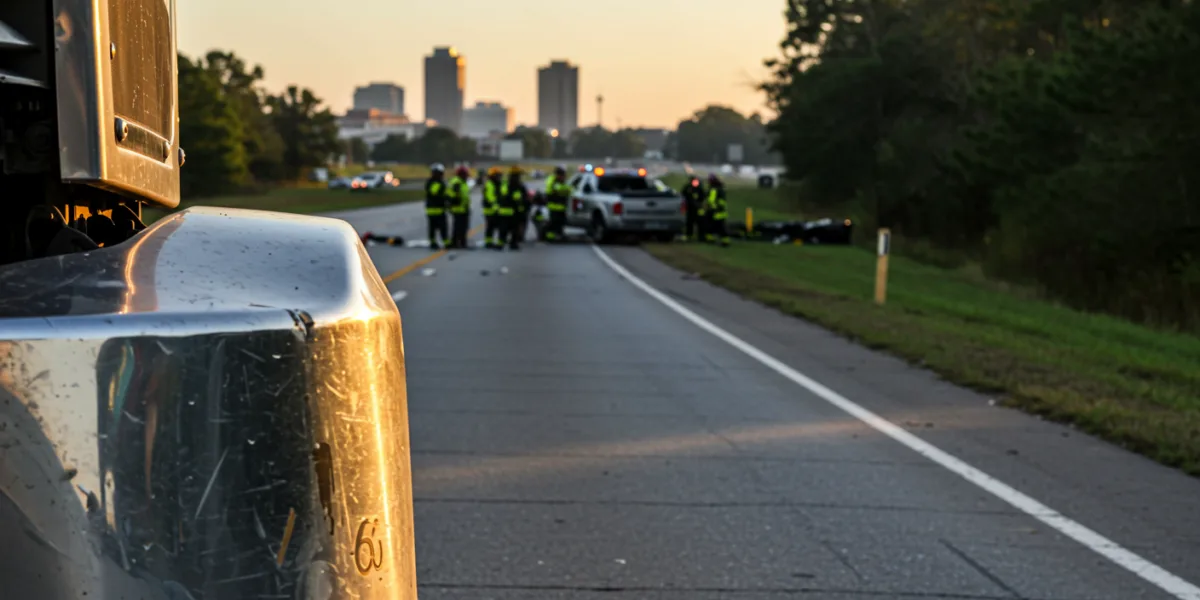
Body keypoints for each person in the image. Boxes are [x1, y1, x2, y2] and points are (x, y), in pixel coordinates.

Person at [498, 166, 528, 250]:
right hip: (510, 211)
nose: (519, 178)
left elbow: (523, 198)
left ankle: (509, 243)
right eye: (518, 176)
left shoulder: (509, 185)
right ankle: (506, 243)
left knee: (511, 229)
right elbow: (508, 197)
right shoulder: (513, 186)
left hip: (511, 211)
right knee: (507, 229)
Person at [543, 164, 572, 242]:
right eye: (563, 175)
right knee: (553, 222)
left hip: (561, 207)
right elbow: (560, 189)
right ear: (559, 175)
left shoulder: (559, 181)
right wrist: (567, 190)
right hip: (554, 206)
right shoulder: (553, 181)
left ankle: (559, 235)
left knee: (560, 222)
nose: (564, 177)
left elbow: (567, 189)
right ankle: (550, 237)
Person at [424, 163, 450, 250]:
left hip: (432, 209)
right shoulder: (437, 183)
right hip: (438, 209)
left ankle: (434, 242)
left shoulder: (430, 182)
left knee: (433, 227)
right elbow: (435, 194)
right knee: (442, 227)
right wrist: (446, 198)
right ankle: (444, 242)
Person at [448, 166, 472, 249]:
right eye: (465, 175)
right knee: (459, 227)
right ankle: (456, 243)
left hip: (463, 208)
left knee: (463, 227)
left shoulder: (462, 182)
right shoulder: (457, 182)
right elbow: (453, 195)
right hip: (458, 208)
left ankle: (461, 242)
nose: (466, 176)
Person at [704, 173, 730, 247]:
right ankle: (716, 239)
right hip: (719, 211)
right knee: (716, 226)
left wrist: (711, 207)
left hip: (716, 211)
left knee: (718, 226)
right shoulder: (719, 188)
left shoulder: (714, 189)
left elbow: (711, 200)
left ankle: (723, 241)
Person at [482, 167, 503, 249]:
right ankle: (488, 242)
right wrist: (497, 208)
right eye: (497, 175)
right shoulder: (489, 184)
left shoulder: (498, 184)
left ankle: (491, 241)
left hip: (495, 209)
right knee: (490, 227)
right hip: (490, 210)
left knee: (493, 226)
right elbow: (490, 198)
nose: (499, 177)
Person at [680, 175, 705, 241]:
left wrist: (699, 203)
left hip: (698, 208)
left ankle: (701, 237)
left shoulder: (700, 188)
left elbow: (703, 196)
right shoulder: (688, 187)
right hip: (690, 208)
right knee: (689, 222)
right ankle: (689, 235)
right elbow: (683, 194)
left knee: (700, 223)